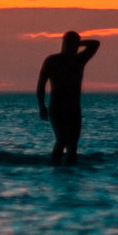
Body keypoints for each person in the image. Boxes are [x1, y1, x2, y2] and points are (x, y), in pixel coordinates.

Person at [36, 31, 100, 164]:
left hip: (73, 106)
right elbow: (41, 84)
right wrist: (42, 106)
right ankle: (54, 165)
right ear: (63, 43)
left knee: (73, 143)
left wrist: (78, 43)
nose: (72, 46)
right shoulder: (52, 60)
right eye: (69, 43)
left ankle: (71, 170)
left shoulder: (79, 59)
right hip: (57, 106)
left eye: (74, 43)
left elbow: (95, 44)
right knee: (62, 139)